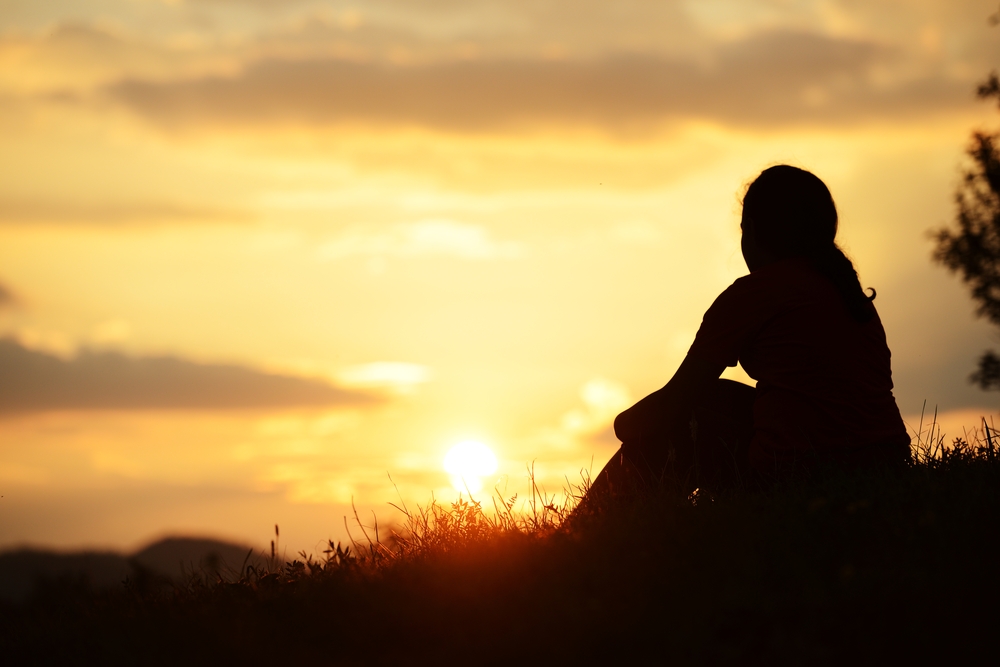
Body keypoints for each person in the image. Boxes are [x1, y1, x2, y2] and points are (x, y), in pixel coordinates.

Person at [589, 165, 911, 501]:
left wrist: (623, 425)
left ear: (752, 230)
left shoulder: (755, 293)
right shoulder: (850, 295)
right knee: (721, 397)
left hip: (798, 478)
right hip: (887, 471)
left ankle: (583, 536)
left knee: (680, 422)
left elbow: (675, 401)